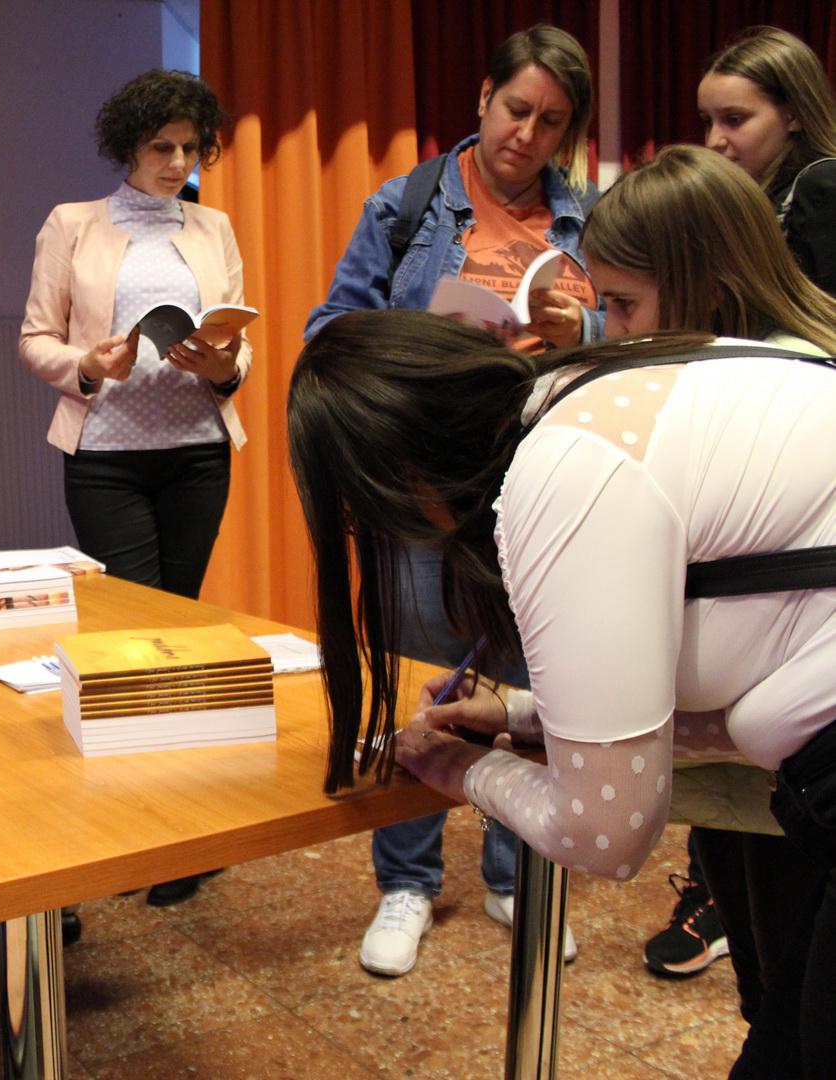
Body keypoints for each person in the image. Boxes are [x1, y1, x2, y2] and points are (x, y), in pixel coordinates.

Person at [288, 226, 836, 1075]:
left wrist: (461, 771)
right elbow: (709, 683)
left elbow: (608, 832)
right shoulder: (590, 393)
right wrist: (522, 715)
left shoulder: (561, 474)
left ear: (406, 483)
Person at [303, 23, 600, 977]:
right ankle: (407, 880)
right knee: (419, 676)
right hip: (424, 481)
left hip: (537, 478)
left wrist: (583, 329)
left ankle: (517, 870)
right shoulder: (406, 204)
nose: (527, 135)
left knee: (523, 679)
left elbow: (635, 336)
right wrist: (428, 341)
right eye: (516, 109)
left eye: (551, 122)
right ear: (482, 97)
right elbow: (329, 329)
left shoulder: (590, 220)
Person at [581, 145, 836, 1013]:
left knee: (787, 998)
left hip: (804, 766)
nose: (612, 331)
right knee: (772, 987)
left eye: (623, 305)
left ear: (707, 291)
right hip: (769, 763)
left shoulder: (771, 396)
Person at [19, 69, 251, 912]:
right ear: (129, 145)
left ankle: (179, 833)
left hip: (198, 455)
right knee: (134, 638)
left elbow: (239, 342)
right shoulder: (72, 224)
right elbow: (36, 338)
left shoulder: (213, 225)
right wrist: (89, 363)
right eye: (163, 147)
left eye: (192, 149)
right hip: (107, 457)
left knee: (179, 632)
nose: (179, 163)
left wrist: (222, 363)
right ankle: (129, 825)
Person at [700, 25, 836, 296]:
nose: (713, 141)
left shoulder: (822, 187)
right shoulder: (745, 197)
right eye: (707, 122)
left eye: (734, 119)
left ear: (793, 115)